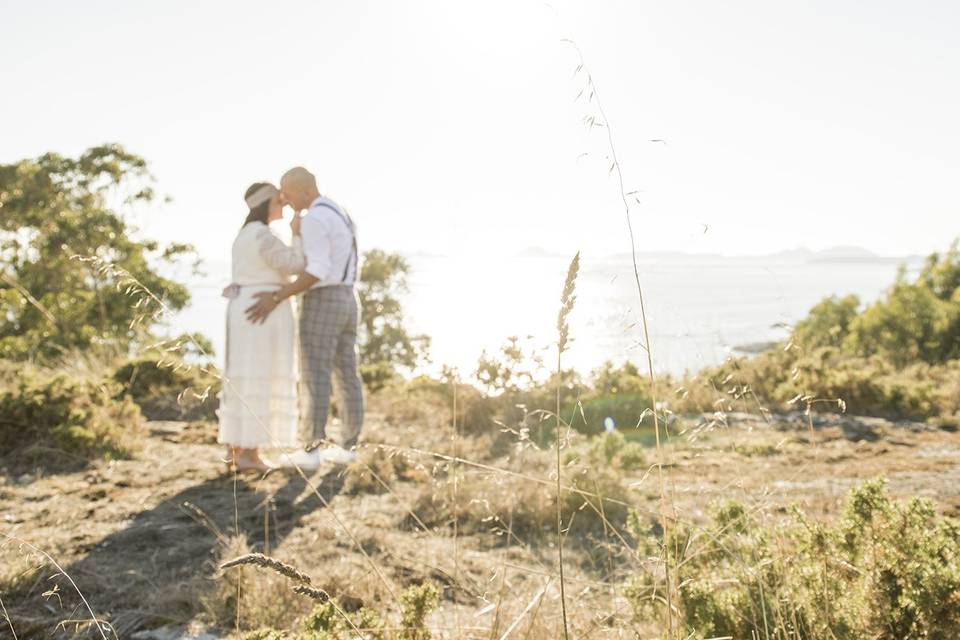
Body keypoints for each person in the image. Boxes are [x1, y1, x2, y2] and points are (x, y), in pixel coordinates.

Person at [246, 167, 363, 469]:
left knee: (315, 375)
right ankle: (350, 447)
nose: (284, 199)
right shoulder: (339, 211)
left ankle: (311, 451)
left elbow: (316, 270)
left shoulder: (313, 219)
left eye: (287, 192)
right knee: (347, 374)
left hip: (323, 299)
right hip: (349, 298)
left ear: (304, 190)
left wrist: (277, 296)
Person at [218, 182, 305, 472]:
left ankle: (237, 449)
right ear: (266, 203)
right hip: (264, 312)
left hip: (244, 309)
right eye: (279, 199)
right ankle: (250, 454)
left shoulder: (243, 236)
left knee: (244, 376)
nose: (283, 204)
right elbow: (295, 264)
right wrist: (297, 233)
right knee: (261, 375)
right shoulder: (263, 236)